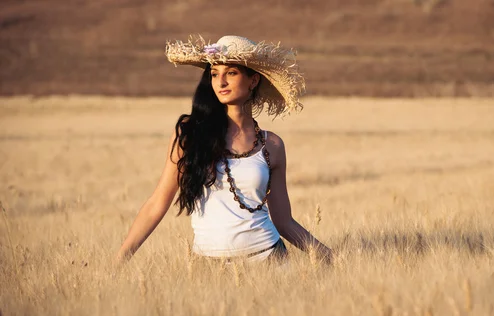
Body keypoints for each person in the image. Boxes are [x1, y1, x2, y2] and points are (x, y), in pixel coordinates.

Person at [116, 35, 332, 264]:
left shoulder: (273, 145)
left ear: (253, 80)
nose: (221, 82)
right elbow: (157, 203)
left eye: (231, 73)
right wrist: (118, 262)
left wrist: (329, 256)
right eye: (214, 74)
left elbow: (284, 221)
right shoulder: (190, 135)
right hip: (207, 268)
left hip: (270, 262)